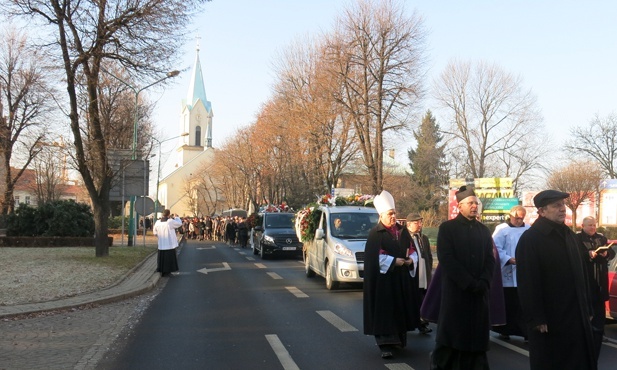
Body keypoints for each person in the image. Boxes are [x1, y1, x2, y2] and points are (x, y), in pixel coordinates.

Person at [516, 190, 596, 370]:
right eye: (556, 205)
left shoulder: (570, 236)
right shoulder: (531, 239)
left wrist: (588, 306)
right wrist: (536, 317)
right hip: (551, 320)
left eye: (563, 205)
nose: (562, 209)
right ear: (542, 211)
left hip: (576, 315)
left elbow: (583, 273)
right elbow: (527, 282)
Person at [430, 186, 494, 370]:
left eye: (476, 203)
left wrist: (484, 281)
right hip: (457, 292)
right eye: (470, 203)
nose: (475, 206)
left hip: (479, 293)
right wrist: (468, 282)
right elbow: (447, 259)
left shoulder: (483, 230)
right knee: (453, 335)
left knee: (476, 338)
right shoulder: (448, 228)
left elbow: (490, 259)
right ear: (460, 206)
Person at [363, 190, 420, 359]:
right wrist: (393, 261)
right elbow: (375, 257)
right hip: (384, 281)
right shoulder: (376, 234)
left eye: (394, 213)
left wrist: (411, 260)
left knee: (400, 309)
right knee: (385, 310)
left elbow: (412, 249)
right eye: (390, 214)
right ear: (381, 215)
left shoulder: (402, 231)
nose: (393, 217)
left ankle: (399, 340)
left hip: (401, 279)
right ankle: (385, 344)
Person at [577, 215, 616, 361]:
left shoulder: (602, 238)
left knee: (599, 311)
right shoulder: (577, 239)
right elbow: (575, 256)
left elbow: (612, 253)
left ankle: (599, 335)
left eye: (594, 225)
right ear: (583, 226)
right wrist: (587, 254)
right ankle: (586, 338)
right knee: (587, 312)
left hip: (601, 280)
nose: (592, 227)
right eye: (589, 225)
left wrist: (606, 253)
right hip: (586, 280)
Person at [491, 205, 530, 341]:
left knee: (523, 304)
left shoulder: (528, 229)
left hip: (523, 272)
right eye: (516, 217)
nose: (519, 220)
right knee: (509, 303)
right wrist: (508, 259)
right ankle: (505, 329)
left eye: (521, 218)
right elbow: (496, 248)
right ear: (510, 216)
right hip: (507, 271)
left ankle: (525, 331)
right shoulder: (502, 229)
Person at [405, 212, 433, 334]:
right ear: (409, 224)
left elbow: (429, 257)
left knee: (424, 300)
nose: (419, 225)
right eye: (416, 223)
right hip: (413, 275)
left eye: (420, 222)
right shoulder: (405, 238)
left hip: (424, 275)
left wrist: (429, 271)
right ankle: (408, 324)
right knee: (412, 300)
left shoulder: (424, 238)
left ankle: (423, 324)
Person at [153, 209, 182, 277]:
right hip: (169, 244)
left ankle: (161, 270)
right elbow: (179, 223)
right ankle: (168, 271)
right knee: (169, 259)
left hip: (161, 243)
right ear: (169, 214)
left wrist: (159, 236)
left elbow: (155, 232)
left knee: (162, 259)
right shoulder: (170, 222)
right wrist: (176, 217)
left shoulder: (157, 222)